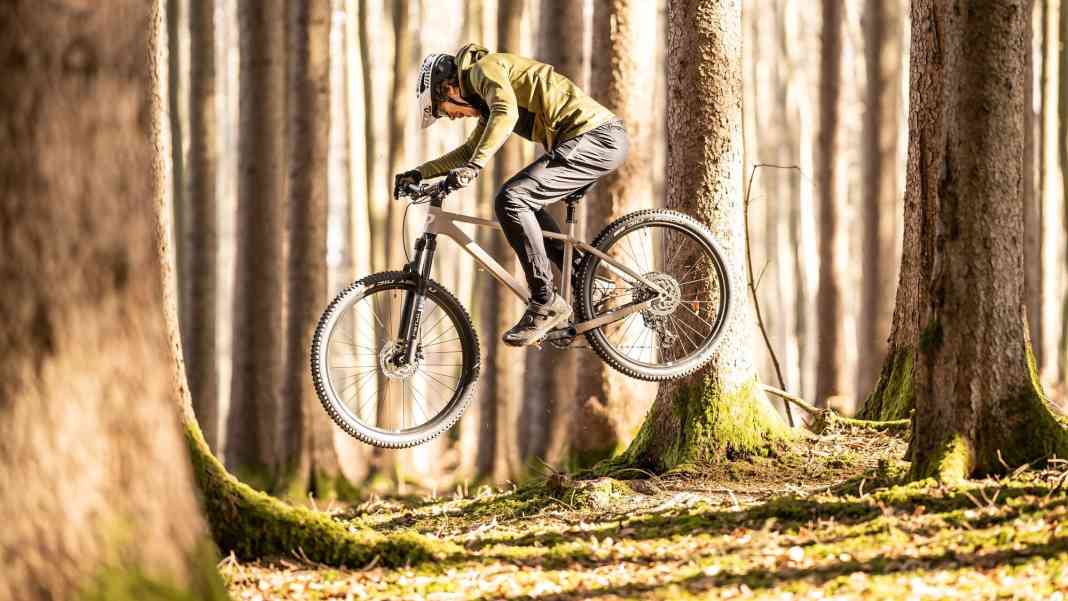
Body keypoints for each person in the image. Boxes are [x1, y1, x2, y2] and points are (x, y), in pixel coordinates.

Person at [394, 44, 629, 347]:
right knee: (522, 205)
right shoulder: (485, 95)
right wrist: (420, 172)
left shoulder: (483, 70)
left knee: (512, 199)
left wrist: (474, 168)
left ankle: (545, 301)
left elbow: (506, 113)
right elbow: (468, 150)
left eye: (447, 113)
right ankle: (587, 281)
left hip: (598, 137)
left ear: (448, 88)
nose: (454, 118)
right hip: (588, 141)